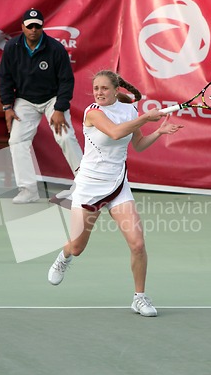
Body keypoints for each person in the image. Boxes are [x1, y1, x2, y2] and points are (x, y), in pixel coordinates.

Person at [47, 70, 184, 317]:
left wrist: (159, 132)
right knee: (78, 247)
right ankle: (64, 255)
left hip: (118, 186)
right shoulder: (93, 113)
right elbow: (115, 133)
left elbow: (138, 145)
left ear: (116, 89)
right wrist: (146, 118)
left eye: (104, 88)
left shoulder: (129, 111)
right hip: (89, 188)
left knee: (138, 244)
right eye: (96, 88)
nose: (99, 92)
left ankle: (139, 298)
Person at [0, 8, 82, 204]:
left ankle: (85, 184)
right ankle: (28, 190)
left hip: (52, 98)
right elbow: (5, 78)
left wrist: (60, 108)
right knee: (17, 141)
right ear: (22, 27)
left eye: (37, 26)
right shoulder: (12, 47)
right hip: (25, 99)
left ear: (42, 27)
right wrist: (7, 106)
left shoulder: (55, 49)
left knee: (66, 137)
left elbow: (66, 81)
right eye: (30, 26)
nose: (33, 30)